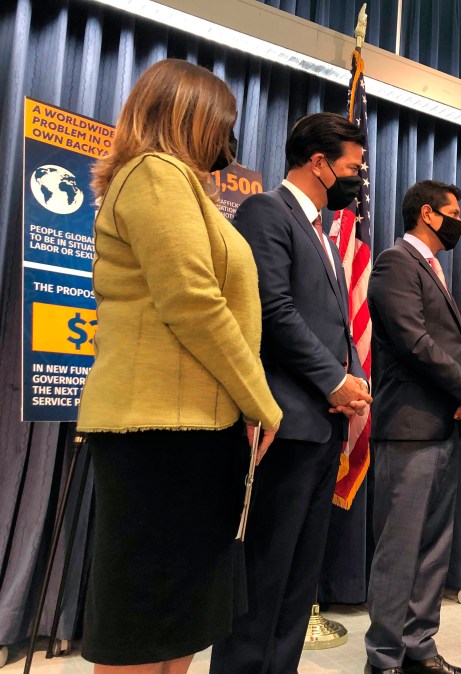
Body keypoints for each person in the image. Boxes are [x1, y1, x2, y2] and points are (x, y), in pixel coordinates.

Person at [77, 58, 282, 673]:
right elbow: (192, 301)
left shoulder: (181, 186)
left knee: (185, 615)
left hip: (193, 429)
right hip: (160, 432)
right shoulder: (154, 173)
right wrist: (262, 404)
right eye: (224, 124)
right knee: (146, 622)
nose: (228, 140)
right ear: (192, 117)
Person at [210, 112, 372, 673]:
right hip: (282, 423)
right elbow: (272, 311)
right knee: (264, 573)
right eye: (353, 166)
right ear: (319, 163)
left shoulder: (323, 233)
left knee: (299, 580)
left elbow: (327, 322)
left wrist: (348, 381)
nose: (360, 176)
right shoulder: (265, 211)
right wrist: (334, 378)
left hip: (321, 428)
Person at [365, 180, 461, 674]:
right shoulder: (397, 262)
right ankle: (385, 658)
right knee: (400, 548)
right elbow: (413, 340)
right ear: (428, 215)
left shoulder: (432, 268)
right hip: (408, 429)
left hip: (440, 427)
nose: (459, 220)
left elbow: (445, 346)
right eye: (453, 211)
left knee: (434, 546)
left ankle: (419, 648)